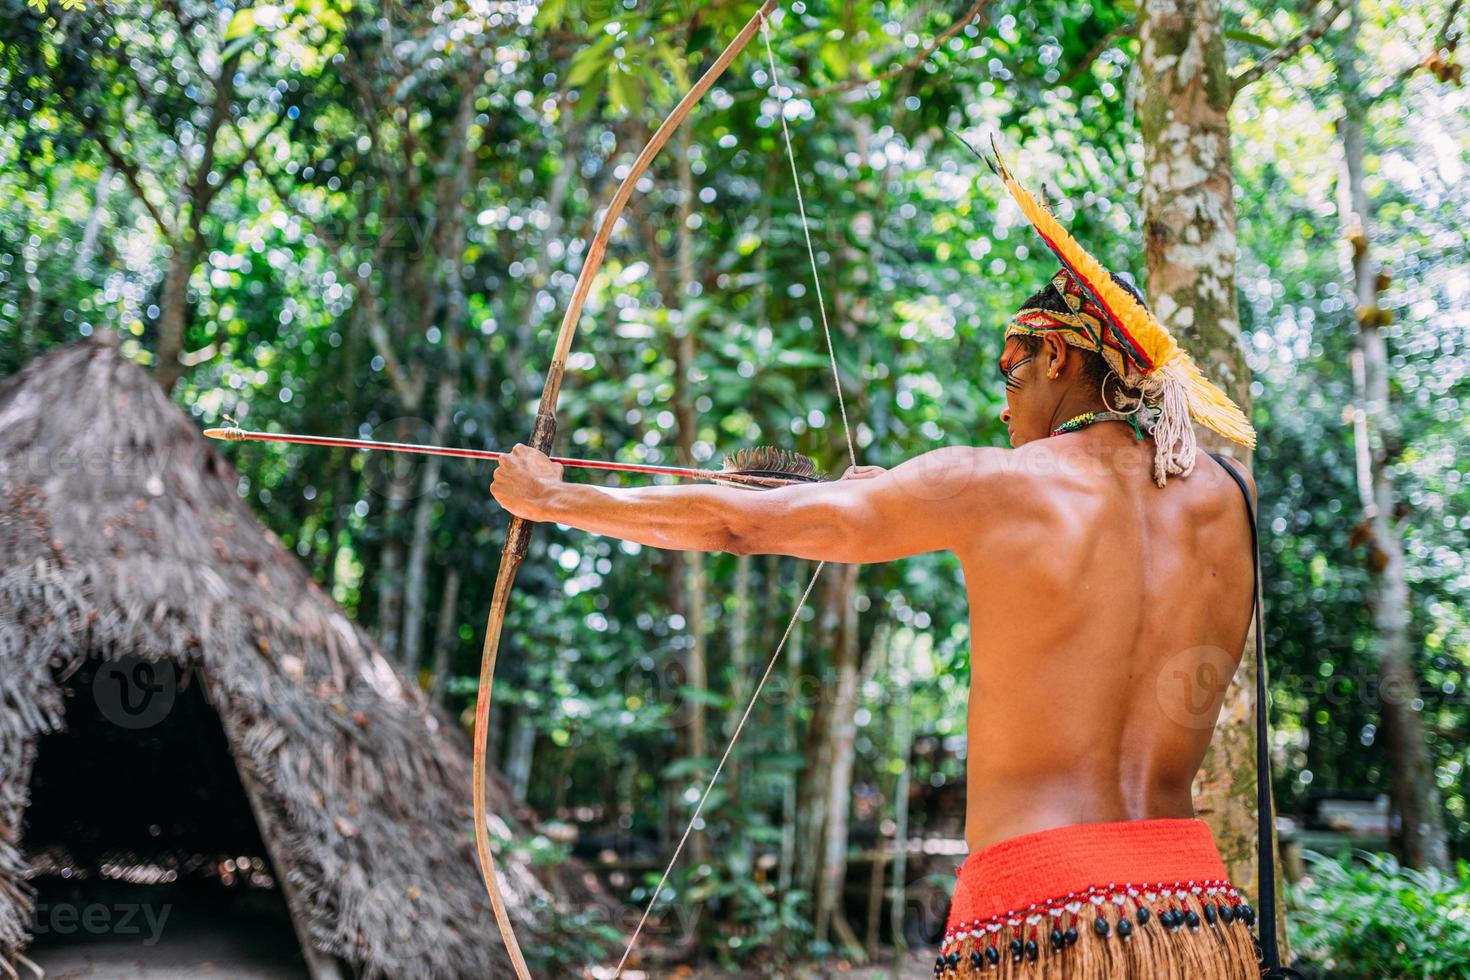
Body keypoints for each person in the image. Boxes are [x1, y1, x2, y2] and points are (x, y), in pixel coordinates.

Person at [489, 162, 1264, 979]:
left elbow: (735, 522)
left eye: (1013, 369)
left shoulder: (988, 484)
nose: (1004, 404)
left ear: (1062, 359)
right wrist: (898, 493)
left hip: (1044, 917)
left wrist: (555, 499)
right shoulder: (1228, 498)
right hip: (1196, 911)